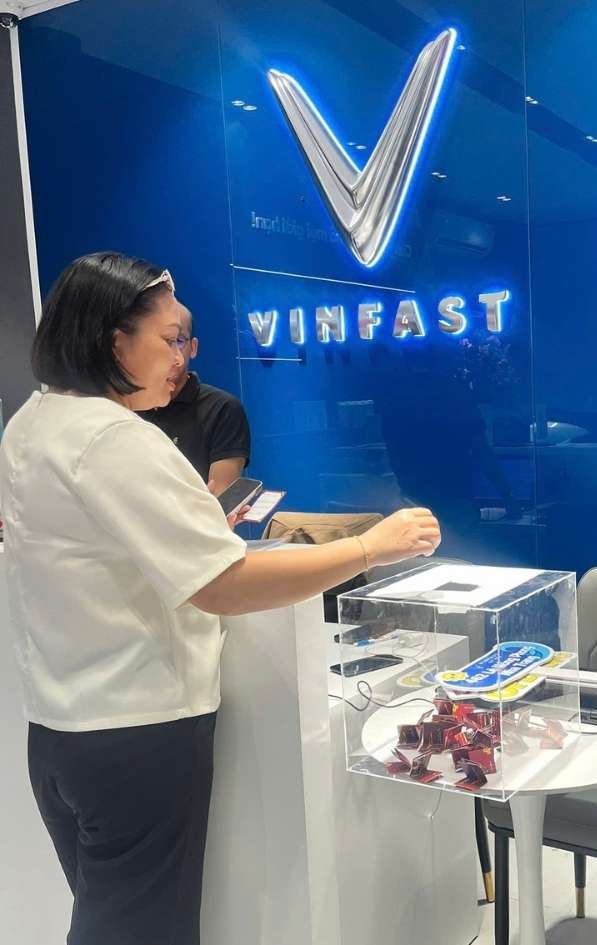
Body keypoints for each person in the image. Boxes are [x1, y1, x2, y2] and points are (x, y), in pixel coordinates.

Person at [0, 252, 440, 945]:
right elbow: (225, 586)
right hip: (136, 732)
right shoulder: (115, 438)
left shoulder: (34, 422)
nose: (182, 358)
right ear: (114, 341)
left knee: (110, 917)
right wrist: (369, 547)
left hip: (60, 732)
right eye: (171, 337)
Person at [137, 307, 250, 495]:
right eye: (162, 341)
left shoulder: (223, 409)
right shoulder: (126, 405)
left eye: (178, 341)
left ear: (193, 347)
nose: (172, 355)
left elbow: (220, 500)